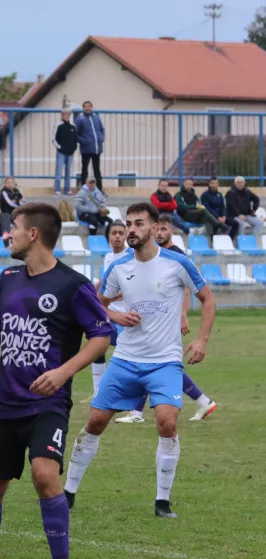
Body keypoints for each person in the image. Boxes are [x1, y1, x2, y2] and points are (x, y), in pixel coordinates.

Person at [0, 203, 111, 559]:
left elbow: (101, 335)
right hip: (3, 401)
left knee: (45, 474)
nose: (8, 234)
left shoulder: (72, 285)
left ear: (33, 234)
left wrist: (64, 372)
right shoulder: (7, 280)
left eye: (13, 227)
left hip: (47, 403)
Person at [64, 202, 216, 519]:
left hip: (165, 362)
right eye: (128, 224)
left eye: (137, 224)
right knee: (94, 423)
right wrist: (115, 314)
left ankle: (162, 502)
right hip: (126, 360)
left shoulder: (177, 263)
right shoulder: (119, 267)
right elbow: (96, 301)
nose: (131, 230)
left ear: (152, 227)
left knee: (167, 422)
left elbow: (208, 298)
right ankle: (67, 494)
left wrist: (201, 339)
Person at [114, 214, 217, 424]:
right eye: (157, 229)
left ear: (171, 231)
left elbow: (187, 290)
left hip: (167, 318)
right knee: (155, 363)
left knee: (156, 363)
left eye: (164, 229)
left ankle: (138, 411)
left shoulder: (175, 255)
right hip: (151, 317)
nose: (160, 233)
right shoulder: (147, 254)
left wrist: (182, 315)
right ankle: (201, 400)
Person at [87, 220, 131, 400]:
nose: (118, 237)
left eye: (121, 233)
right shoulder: (109, 257)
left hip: (125, 317)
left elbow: (129, 288)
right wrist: (91, 291)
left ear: (126, 235)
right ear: (108, 237)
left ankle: (131, 397)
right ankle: (98, 391)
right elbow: (106, 281)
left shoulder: (131, 257)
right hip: (109, 314)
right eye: (114, 233)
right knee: (97, 348)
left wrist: (105, 298)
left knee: (130, 358)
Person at [75, 100, 104, 188]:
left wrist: (101, 138)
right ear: (83, 108)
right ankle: (83, 188)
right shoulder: (80, 119)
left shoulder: (97, 118)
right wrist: (84, 141)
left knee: (97, 170)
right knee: (84, 169)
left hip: (96, 149)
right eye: (85, 107)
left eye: (89, 106)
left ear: (91, 107)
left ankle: (99, 189)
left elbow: (102, 130)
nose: (87, 108)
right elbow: (76, 134)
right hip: (86, 149)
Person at [52, 109, 78, 195]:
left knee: (68, 172)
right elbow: (53, 139)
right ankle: (57, 190)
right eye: (65, 114)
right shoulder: (58, 125)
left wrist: (74, 148)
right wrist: (60, 147)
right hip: (61, 153)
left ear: (70, 115)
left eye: (68, 114)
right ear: (62, 115)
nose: (67, 116)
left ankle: (67, 190)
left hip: (70, 153)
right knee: (59, 171)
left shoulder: (73, 126)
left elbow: (75, 139)